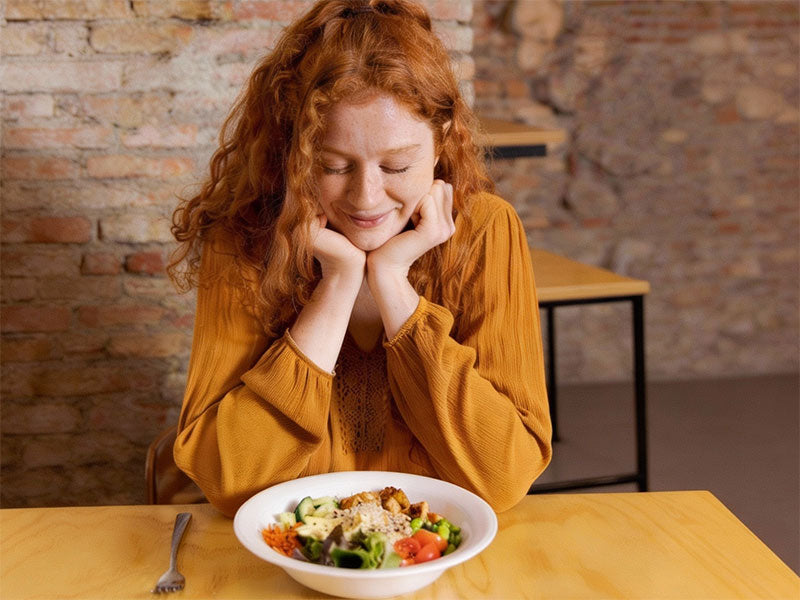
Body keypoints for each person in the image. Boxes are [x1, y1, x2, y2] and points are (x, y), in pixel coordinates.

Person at [168, 0, 552, 518]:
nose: (366, 198)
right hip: (283, 551)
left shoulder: (487, 230)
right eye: (332, 166)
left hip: (437, 549)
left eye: (397, 166)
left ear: (441, 141)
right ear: (295, 152)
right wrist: (337, 284)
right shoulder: (242, 237)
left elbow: (503, 476)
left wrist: (393, 284)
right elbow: (228, 481)